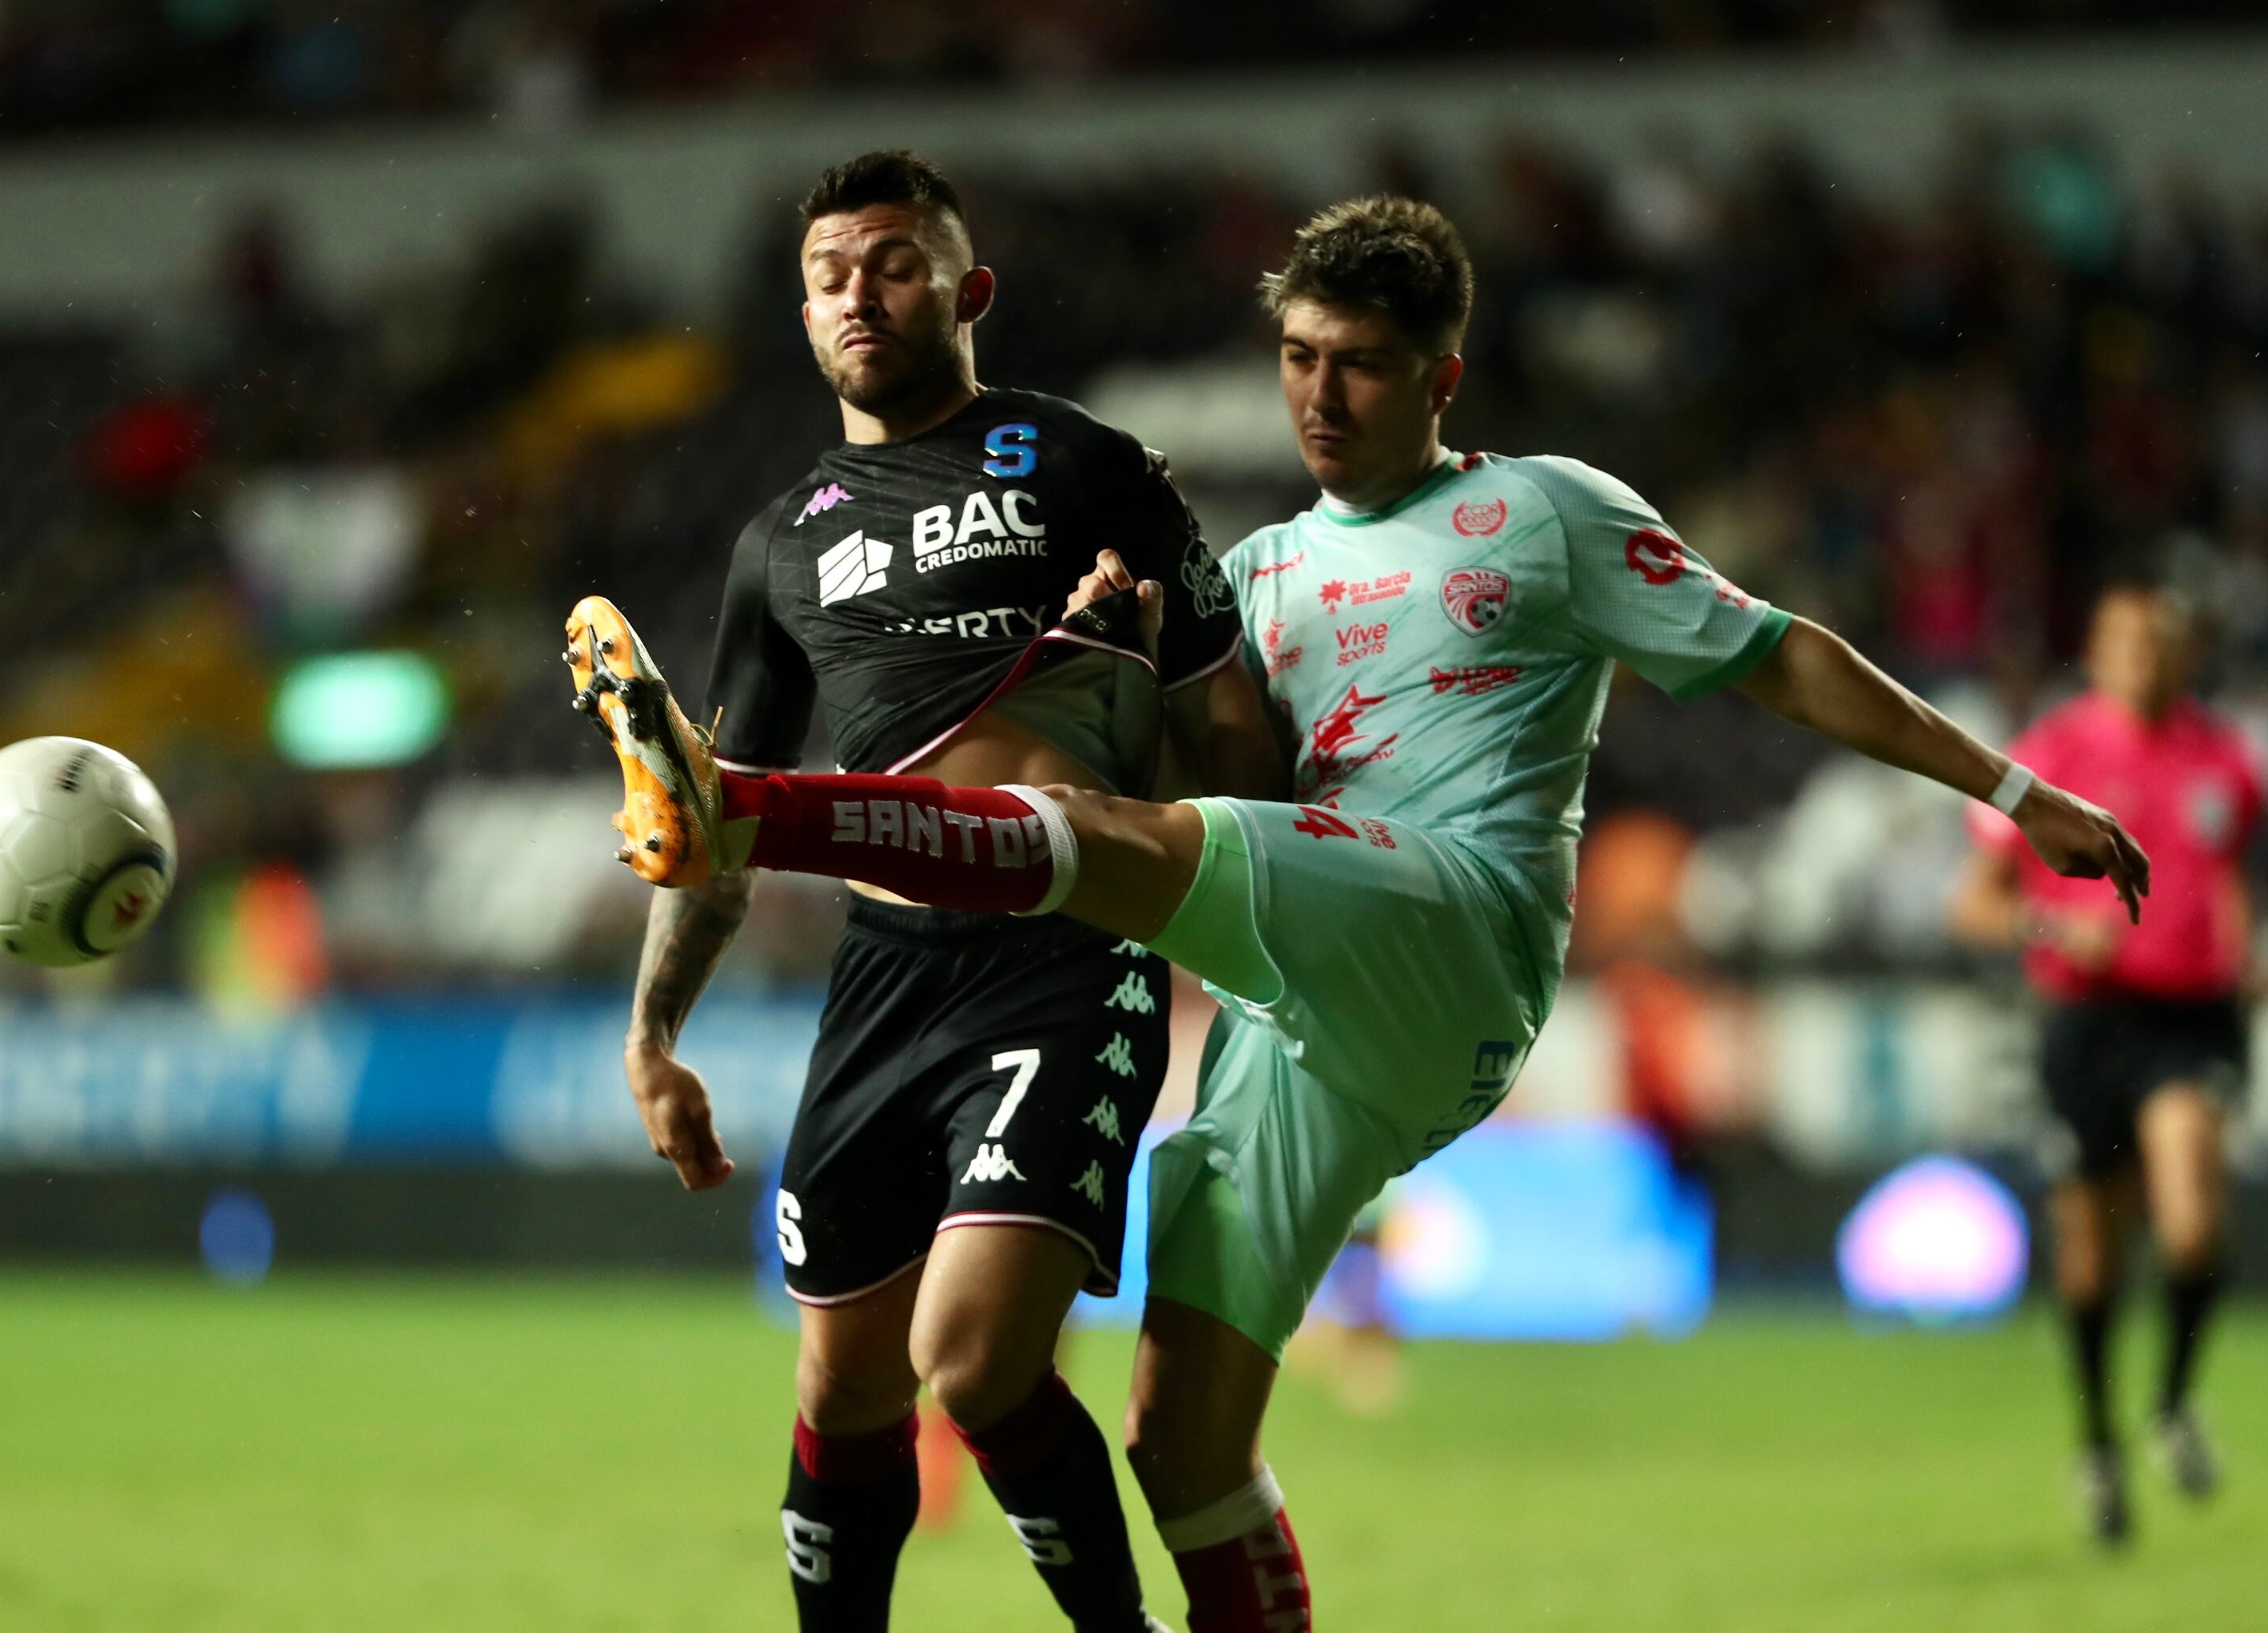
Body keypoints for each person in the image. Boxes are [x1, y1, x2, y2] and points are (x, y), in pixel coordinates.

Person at [575, 196, 2148, 1632]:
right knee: (1179, 1437)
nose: (1320, 397)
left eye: (1365, 367)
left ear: (1443, 376)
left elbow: (1780, 650)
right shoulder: (1248, 573)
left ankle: (743, 803)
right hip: (1308, 1012)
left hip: (1446, 922)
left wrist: (2013, 793)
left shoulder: (1545, 515)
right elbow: (1188, 768)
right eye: (1299, 359)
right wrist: (1096, 660)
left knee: (1117, 840)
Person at [587, 149, 1268, 1633]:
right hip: (886, 977)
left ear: (970, 288)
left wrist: (1194, 831)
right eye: (828, 274)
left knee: (972, 1353)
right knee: (841, 1380)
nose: (857, 295)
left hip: (1066, 956)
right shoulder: (778, 546)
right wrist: (654, 1033)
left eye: (891, 262)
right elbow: (707, 828)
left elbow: (1234, 732)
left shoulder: (1087, 463)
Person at [1949, 582, 2254, 1545]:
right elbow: (1975, 906)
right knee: (2091, 1253)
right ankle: (2098, 1443)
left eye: (2160, 643)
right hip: (2087, 1024)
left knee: (2193, 1223)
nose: (2144, 659)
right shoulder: (2053, 757)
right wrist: (2047, 922)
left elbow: (2237, 875)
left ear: (2184, 655)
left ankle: (2170, 1403)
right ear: (2097, 649)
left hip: (2190, 1019)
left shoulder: (2226, 760)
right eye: (2126, 641)